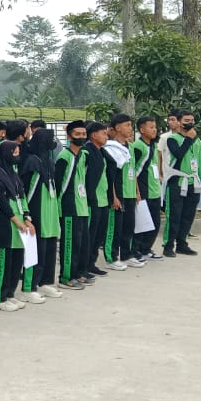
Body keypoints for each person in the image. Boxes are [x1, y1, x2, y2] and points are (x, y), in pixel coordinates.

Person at [0, 140, 34, 310]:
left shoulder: (13, 173)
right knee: (3, 260)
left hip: (19, 224)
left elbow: (22, 197)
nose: (17, 155)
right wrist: (17, 221)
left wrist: (27, 218)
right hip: (5, 223)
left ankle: (9, 294)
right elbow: (2, 202)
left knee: (16, 261)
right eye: (14, 152)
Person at [20, 127, 62, 299]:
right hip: (36, 210)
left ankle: (45, 282)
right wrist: (26, 213)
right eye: (50, 139)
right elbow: (24, 189)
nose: (53, 143)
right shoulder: (31, 162)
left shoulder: (49, 162)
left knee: (50, 247)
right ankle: (29, 287)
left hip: (50, 211)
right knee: (36, 249)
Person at [163, 110, 201, 257]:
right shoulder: (172, 139)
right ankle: (168, 245)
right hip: (177, 182)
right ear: (179, 122)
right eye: (186, 121)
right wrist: (188, 139)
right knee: (174, 215)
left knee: (188, 216)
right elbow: (179, 154)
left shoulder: (197, 141)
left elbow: (200, 162)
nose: (190, 123)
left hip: (193, 183)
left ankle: (182, 244)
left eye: (192, 120)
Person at [103, 114, 141, 270]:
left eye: (131, 125)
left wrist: (137, 191)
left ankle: (127, 255)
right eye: (127, 125)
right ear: (117, 127)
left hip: (130, 192)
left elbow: (133, 170)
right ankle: (111, 257)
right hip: (119, 193)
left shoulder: (130, 146)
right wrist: (113, 196)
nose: (130, 129)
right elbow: (111, 175)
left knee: (129, 226)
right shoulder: (111, 147)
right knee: (115, 228)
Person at [56, 120, 90, 290]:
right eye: (77, 134)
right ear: (69, 137)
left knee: (82, 243)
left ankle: (78, 273)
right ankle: (66, 277)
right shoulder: (64, 156)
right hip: (69, 206)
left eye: (84, 134)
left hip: (82, 205)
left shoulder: (83, 155)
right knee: (70, 243)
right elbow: (59, 183)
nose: (81, 137)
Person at [82, 121, 111, 281]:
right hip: (92, 200)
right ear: (93, 135)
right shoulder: (87, 152)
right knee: (90, 235)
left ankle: (91, 263)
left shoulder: (102, 152)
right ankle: (84, 266)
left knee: (99, 235)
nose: (106, 136)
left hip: (103, 199)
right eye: (103, 133)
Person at [132, 116, 164, 261]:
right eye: (151, 127)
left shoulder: (153, 145)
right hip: (143, 191)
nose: (154, 130)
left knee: (155, 223)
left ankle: (146, 249)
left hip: (155, 191)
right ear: (142, 130)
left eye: (155, 127)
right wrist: (136, 191)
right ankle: (136, 250)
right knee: (141, 223)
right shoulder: (138, 147)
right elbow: (133, 170)